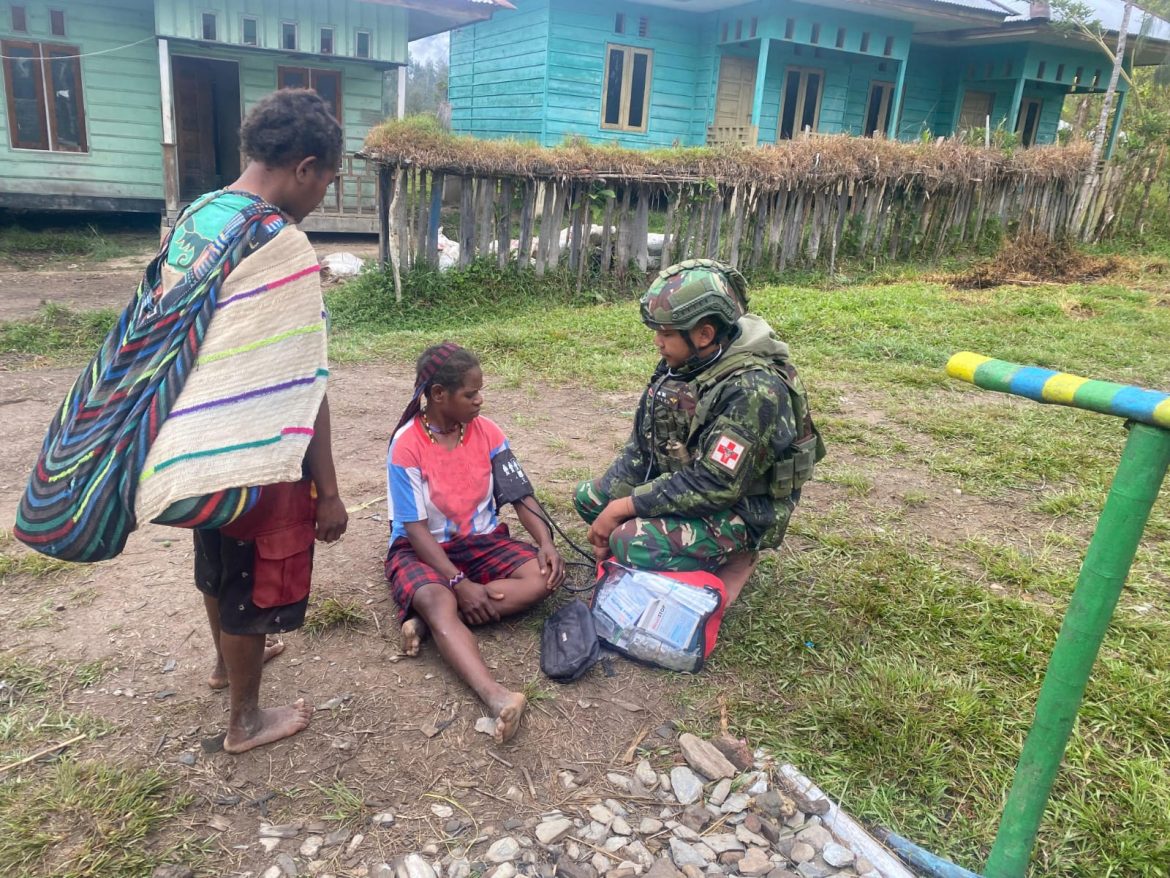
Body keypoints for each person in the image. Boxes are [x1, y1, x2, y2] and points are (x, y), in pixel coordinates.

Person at [16, 89, 348, 753]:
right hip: (251, 446)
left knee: (217, 556)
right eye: (327, 183)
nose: (322, 197)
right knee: (253, 574)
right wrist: (330, 490)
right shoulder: (280, 246)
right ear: (306, 167)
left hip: (189, 437)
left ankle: (226, 666)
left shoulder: (199, 214)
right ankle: (246, 721)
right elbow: (301, 379)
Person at [574, 259, 822, 605]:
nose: (657, 342)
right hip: (689, 481)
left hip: (745, 506)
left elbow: (715, 484)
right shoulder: (690, 361)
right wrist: (614, 503)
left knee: (631, 541)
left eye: (666, 333)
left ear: (704, 334)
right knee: (589, 500)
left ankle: (740, 556)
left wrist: (625, 508)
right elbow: (643, 448)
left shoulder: (752, 390)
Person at [385, 343, 564, 743]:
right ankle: (496, 696)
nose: (480, 400)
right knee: (437, 597)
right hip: (424, 548)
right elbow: (415, 530)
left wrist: (545, 542)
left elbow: (520, 496)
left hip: (481, 541)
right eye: (471, 394)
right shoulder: (407, 445)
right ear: (438, 394)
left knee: (543, 577)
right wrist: (458, 582)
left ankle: (434, 624)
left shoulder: (489, 432)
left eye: (480, 391)